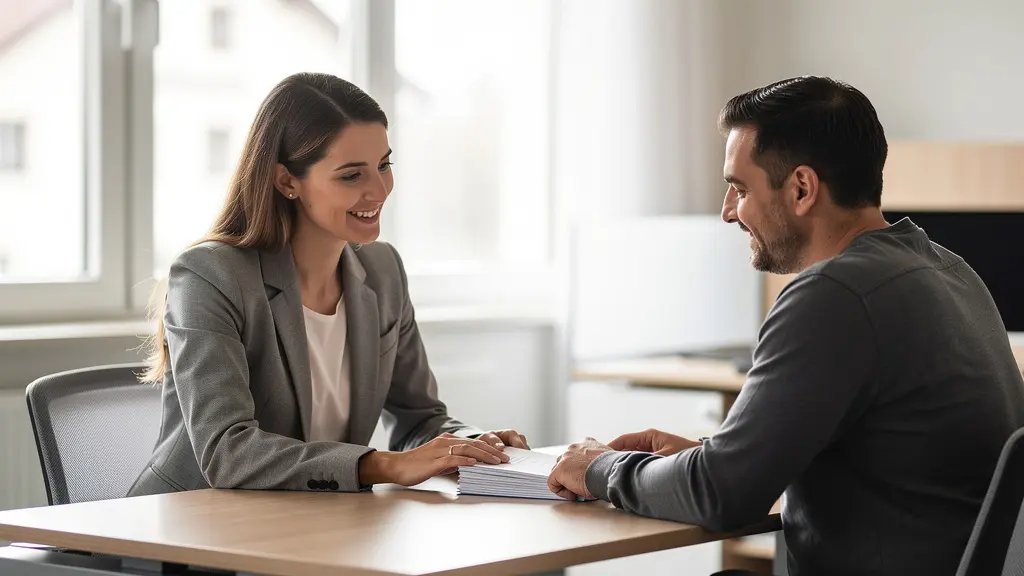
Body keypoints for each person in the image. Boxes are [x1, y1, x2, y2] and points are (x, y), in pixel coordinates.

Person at [548, 76, 1024, 576]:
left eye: (739, 188)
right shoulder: (950, 270)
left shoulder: (833, 295)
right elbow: (887, 458)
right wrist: (716, 456)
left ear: (801, 188)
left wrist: (599, 468)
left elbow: (722, 495)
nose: (728, 212)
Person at [129, 72, 528, 497]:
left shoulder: (383, 269)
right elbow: (227, 451)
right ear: (287, 181)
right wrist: (384, 465)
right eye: (352, 175)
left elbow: (419, 421)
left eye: (384, 165)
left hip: (311, 523)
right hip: (186, 530)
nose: (379, 190)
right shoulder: (210, 276)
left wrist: (469, 446)